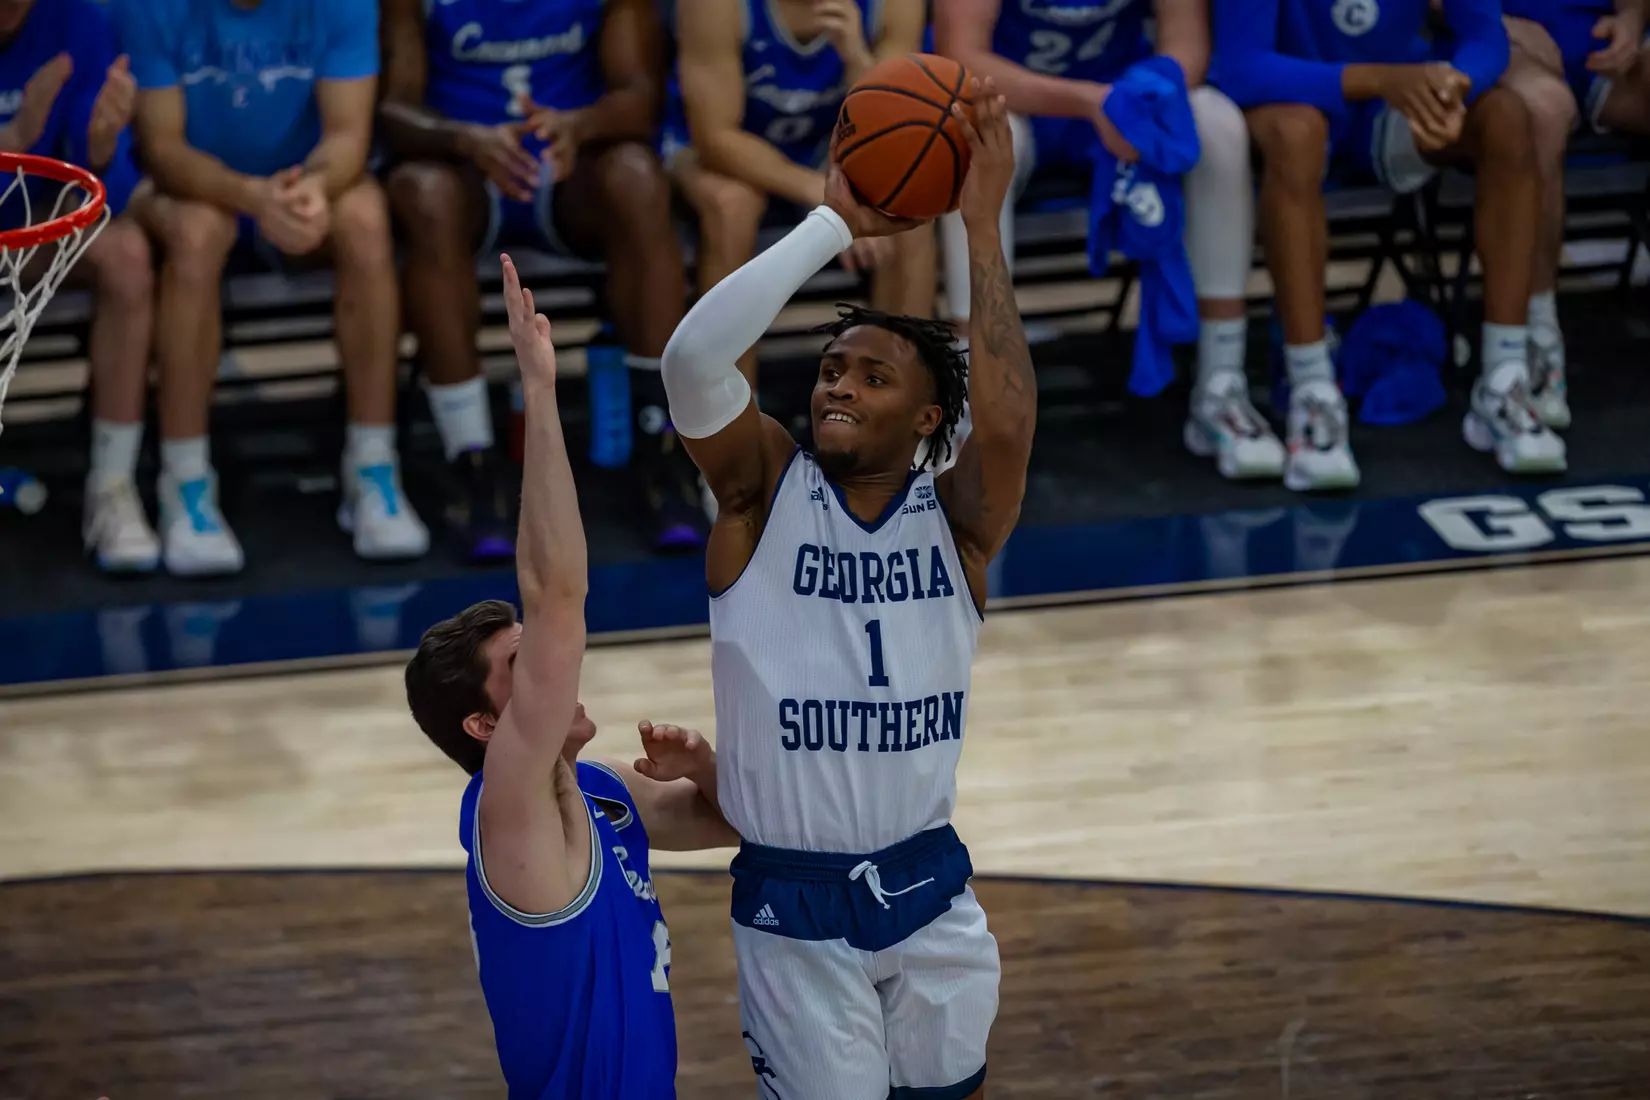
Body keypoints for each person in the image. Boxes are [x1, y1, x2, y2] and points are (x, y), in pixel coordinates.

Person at [660, 82, 1029, 1100]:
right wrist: (833, 222)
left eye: (872, 376)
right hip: (797, 902)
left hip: (932, 886)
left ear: (926, 420)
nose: (838, 385)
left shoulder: (958, 526)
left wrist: (981, 229)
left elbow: (1006, 426)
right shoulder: (762, 491)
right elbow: (692, 361)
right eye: (831, 368)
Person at [403, 254, 738, 1099]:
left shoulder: (600, 789)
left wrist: (703, 767)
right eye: (522, 666)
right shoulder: (509, 804)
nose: (553, 668)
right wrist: (540, 392)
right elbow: (556, 593)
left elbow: (745, 821)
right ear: (485, 725)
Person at [379, 0, 706, 556]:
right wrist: (463, 138)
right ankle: (472, 460)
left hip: (571, 173)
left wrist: (579, 125)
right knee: (425, 196)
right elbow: (393, 111)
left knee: (637, 179)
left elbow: (639, 98)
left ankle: (663, 447)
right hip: (463, 174)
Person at [112, 0, 427, 576]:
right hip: (190, 190)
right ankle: (185, 482)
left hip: (299, 181)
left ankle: (373, 469)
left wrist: (312, 189)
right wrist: (252, 197)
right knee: (198, 234)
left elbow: (348, 136)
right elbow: (163, 149)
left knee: (365, 219)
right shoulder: (153, 7)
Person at [1213, 0, 1567, 483]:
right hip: (1293, 100)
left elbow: (1484, 35)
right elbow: (1241, 67)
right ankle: (1312, 394)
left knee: (1506, 117)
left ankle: (1504, 379)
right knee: (1298, 135)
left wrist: (1455, 83)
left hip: (1393, 104)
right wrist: (1377, 79)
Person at [936, 0, 1282, 484]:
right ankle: (968, 397)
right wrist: (1085, 100)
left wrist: (1134, 98)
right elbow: (961, 58)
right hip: (1018, 101)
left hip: (1121, 100)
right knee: (968, 137)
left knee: (1217, 122)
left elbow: (1186, 45)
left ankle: (1221, 384)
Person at [667, 0, 937, 390]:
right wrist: (825, 195)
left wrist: (857, 61)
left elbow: (900, 129)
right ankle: (726, 408)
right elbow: (716, 137)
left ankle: (897, 403)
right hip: (725, 150)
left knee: (905, 208)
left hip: (829, 148)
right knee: (732, 207)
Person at [0, 0, 154, 571]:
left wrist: (102, 148)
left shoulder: (79, 21)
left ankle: (112, 488)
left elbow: (112, 194)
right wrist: (15, 135)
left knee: (128, 255)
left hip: (27, 231)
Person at [1493, 0, 1649, 434]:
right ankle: (1537, 333)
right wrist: (1498, 24)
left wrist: (1632, 17)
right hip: (1501, 38)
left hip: (1595, 36)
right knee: (1543, 112)